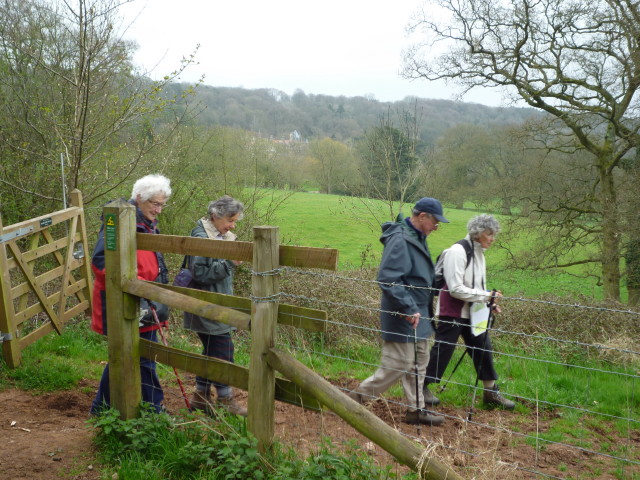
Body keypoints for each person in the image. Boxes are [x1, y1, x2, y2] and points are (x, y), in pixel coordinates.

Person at [348, 197, 448, 426]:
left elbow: (418, 276)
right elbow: (389, 279)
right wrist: (407, 308)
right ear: (422, 216)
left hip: (419, 313)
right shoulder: (401, 239)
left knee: (420, 361)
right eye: (435, 221)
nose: (436, 227)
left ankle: (417, 409)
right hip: (403, 313)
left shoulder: (418, 237)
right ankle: (353, 401)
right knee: (397, 364)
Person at [90, 174, 172, 415]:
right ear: (139, 199)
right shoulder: (119, 222)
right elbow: (101, 262)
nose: (159, 210)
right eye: (155, 204)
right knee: (142, 357)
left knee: (131, 355)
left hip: (145, 301)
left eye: (162, 205)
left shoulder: (146, 224)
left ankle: (101, 408)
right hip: (126, 302)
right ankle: (155, 410)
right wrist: (134, 286)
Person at [423, 214, 515, 410]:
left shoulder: (480, 252)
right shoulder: (457, 251)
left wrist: (489, 302)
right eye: (489, 234)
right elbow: (455, 288)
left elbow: (477, 285)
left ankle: (490, 393)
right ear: (478, 233)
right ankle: (421, 388)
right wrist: (485, 296)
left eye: (493, 235)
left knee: (483, 349)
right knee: (443, 350)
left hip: (476, 311)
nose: (492, 239)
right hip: (453, 311)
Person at [183, 195, 247, 416]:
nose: (232, 225)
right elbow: (200, 273)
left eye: (234, 220)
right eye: (230, 219)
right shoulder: (202, 236)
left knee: (213, 351)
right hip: (205, 305)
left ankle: (200, 397)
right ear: (216, 215)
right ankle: (225, 399)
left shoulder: (220, 236)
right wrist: (230, 262)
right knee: (222, 351)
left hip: (217, 305)